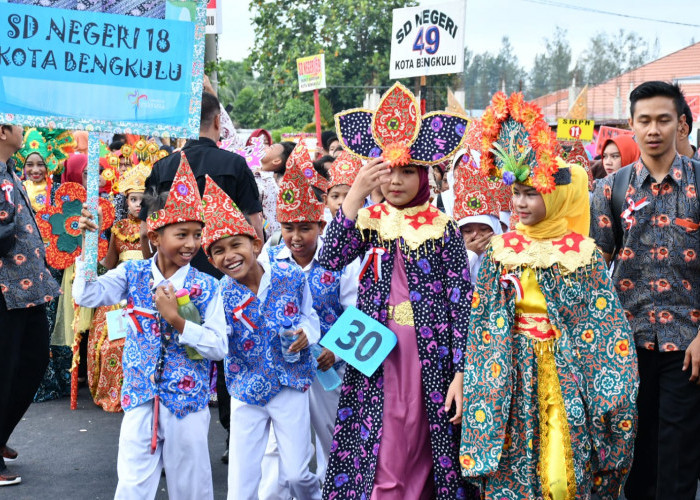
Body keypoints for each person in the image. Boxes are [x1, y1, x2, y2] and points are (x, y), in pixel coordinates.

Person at [460, 92, 638, 499]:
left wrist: (607, 390)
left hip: (565, 372)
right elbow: (483, 323)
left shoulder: (583, 255)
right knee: (513, 471)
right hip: (510, 373)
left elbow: (603, 327)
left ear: (555, 195)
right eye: (516, 192)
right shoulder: (499, 252)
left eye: (531, 193)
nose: (520, 203)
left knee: (560, 478)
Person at [322, 82, 475, 499]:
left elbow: (462, 303)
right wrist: (353, 197)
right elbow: (329, 261)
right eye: (388, 170)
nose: (396, 180)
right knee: (383, 445)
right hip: (374, 349)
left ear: (425, 174)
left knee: (423, 443)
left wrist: (461, 371)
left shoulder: (443, 229)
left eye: (408, 170)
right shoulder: (367, 220)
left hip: (431, 353)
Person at [74, 154, 227, 499]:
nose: (191, 244)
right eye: (181, 234)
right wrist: (88, 242)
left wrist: (177, 321)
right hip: (141, 397)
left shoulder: (208, 286)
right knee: (132, 486)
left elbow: (219, 347)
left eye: (197, 235)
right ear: (156, 236)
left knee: (191, 487)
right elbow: (87, 293)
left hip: (187, 403)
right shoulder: (133, 274)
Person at [591, 80, 700, 500]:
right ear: (632, 126)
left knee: (677, 464)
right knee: (633, 461)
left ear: (680, 125)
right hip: (627, 346)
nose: (654, 130)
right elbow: (596, 271)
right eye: (645, 121)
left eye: (663, 120)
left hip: (687, 348)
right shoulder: (610, 190)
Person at [199, 175, 321, 500]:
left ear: (255, 244)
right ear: (211, 260)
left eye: (236, 245)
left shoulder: (290, 275)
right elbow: (212, 344)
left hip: (289, 384)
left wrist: (307, 334)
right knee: (241, 483)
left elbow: (311, 317)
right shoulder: (219, 296)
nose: (229, 256)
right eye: (219, 251)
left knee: (297, 474)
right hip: (245, 390)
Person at [261, 144, 361, 494]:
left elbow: (356, 309)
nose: (295, 237)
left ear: (321, 224)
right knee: (278, 449)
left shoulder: (340, 261)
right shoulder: (270, 259)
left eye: (304, 227)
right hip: (283, 370)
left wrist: (336, 351)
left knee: (333, 439)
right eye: (288, 228)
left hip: (328, 368)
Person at [140, 91, 264, 275]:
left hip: (175, 278)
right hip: (225, 274)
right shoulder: (235, 164)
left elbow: (144, 232)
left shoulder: (162, 167)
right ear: (217, 121)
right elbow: (255, 227)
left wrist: (157, 273)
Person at [0, 123, 62, 486]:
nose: (23, 129)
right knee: (5, 371)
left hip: (30, 288)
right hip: (5, 290)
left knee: (35, 360)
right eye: (18, 125)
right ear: (4, 130)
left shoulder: (10, 169)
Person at [13, 128, 75, 403]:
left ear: (49, 164)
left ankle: (59, 380)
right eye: (30, 164)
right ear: (22, 166)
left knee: (55, 322)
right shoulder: (14, 189)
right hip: (24, 269)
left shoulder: (59, 193)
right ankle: (33, 382)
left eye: (40, 164)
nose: (35, 169)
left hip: (55, 268)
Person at [86, 163, 149, 412]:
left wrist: (145, 235)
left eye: (142, 200)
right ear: (126, 200)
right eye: (133, 199)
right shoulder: (118, 228)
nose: (137, 205)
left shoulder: (154, 229)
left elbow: (153, 263)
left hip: (143, 292)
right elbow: (109, 264)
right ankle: (113, 392)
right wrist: (92, 244)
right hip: (118, 292)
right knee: (105, 343)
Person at [451, 151, 503, 285]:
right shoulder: (447, 258)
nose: (476, 236)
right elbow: (451, 283)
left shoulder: (509, 255)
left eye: (484, 229)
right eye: (467, 231)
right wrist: (469, 254)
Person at [325, 150, 362, 220]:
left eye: (348, 196)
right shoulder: (322, 229)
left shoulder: (368, 229)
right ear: (326, 201)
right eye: (335, 196)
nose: (341, 202)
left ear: (361, 202)